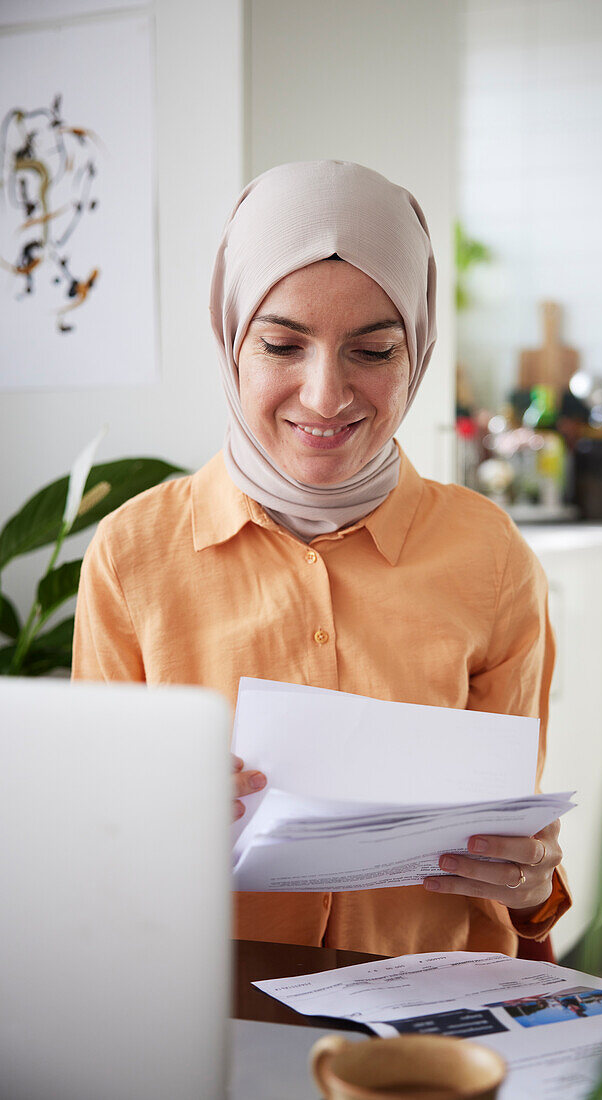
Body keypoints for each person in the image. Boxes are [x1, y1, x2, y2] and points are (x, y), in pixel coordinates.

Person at [72, 159, 571, 957]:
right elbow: (88, 850)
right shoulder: (134, 555)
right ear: (232, 338)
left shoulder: (491, 556)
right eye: (281, 344)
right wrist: (149, 827)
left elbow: (520, 859)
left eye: (373, 351)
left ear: (419, 348)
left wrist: (532, 881)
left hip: (427, 1035)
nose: (324, 396)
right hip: (203, 1018)